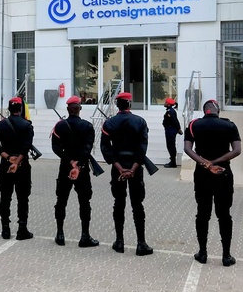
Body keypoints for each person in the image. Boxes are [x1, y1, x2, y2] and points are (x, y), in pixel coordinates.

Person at [183, 99, 242, 266]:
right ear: (217, 110)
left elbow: (188, 149)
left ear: (204, 111)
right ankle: (226, 256)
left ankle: (202, 253)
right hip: (223, 173)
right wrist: (216, 162)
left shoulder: (194, 125)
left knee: (203, 213)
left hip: (202, 174)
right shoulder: (229, 125)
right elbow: (237, 150)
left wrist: (206, 164)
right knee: (224, 214)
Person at [100, 92, 152, 256]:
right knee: (137, 204)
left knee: (119, 203)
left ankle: (120, 242)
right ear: (129, 104)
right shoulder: (140, 122)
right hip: (135, 167)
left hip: (118, 167)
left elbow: (105, 148)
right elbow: (143, 147)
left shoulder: (109, 123)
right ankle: (141, 243)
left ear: (117, 105)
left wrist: (120, 168)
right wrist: (133, 168)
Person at [50, 95, 99, 248]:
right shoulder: (87, 126)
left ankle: (60, 234)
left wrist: (70, 162)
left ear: (67, 109)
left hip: (65, 168)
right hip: (82, 169)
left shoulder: (60, 126)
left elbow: (56, 148)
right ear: (80, 109)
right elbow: (88, 148)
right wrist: (77, 164)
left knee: (61, 201)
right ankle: (85, 236)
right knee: (84, 202)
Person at [0, 97, 35, 240]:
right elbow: (26, 146)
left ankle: (5, 229)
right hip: (22, 166)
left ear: (9, 109)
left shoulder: (0, 125)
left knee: (5, 197)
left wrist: (9, 158)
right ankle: (22, 229)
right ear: (21, 109)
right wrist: (18, 161)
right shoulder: (27, 125)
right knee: (23, 198)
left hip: (6, 164)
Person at [162, 98, 182, 168]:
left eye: (165, 102)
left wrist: (178, 129)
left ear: (168, 104)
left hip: (171, 130)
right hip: (169, 130)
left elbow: (175, 121)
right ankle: (172, 161)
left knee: (171, 146)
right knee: (170, 146)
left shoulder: (170, 111)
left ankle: (173, 163)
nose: (164, 103)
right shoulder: (169, 111)